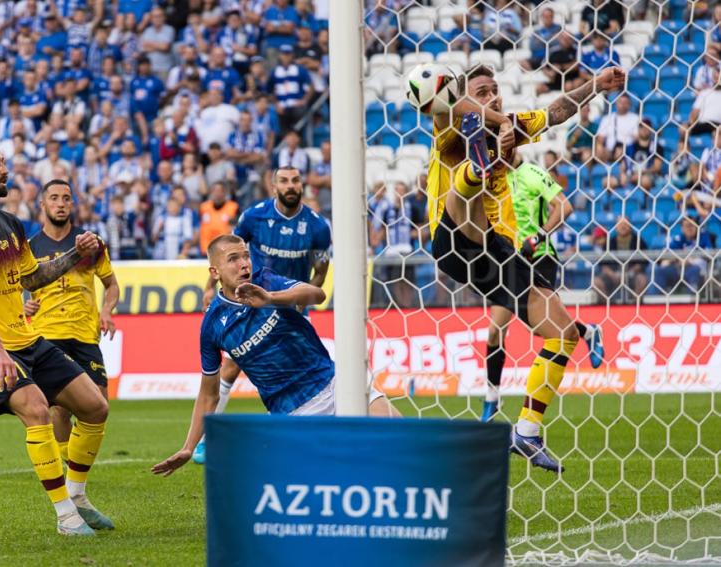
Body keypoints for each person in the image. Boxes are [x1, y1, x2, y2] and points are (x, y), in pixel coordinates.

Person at [428, 65, 625, 472]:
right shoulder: (449, 125)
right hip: (452, 235)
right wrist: (496, 124)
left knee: (563, 334)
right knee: (466, 197)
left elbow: (555, 112)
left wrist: (594, 87)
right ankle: (476, 168)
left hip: (499, 254)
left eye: (495, 90)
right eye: (483, 91)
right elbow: (443, 101)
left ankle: (527, 431)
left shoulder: (513, 128)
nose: (493, 95)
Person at [0, 134, 112, 535]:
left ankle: (78, 496)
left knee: (95, 407)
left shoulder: (11, 224)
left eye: (3, 161)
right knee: (37, 411)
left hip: (27, 340)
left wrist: (76, 254)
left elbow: (33, 277)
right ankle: (65, 517)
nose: (4, 168)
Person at [151, 234, 397, 477]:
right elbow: (208, 394)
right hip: (294, 412)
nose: (244, 263)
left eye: (246, 255)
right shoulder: (212, 325)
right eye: (233, 259)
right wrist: (188, 447)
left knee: (399, 441)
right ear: (215, 272)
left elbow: (317, 295)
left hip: (335, 381)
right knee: (339, 479)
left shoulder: (267, 281)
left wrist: (271, 299)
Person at [193, 166, 332, 465]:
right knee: (230, 368)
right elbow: (228, 250)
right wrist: (209, 288)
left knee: (298, 367)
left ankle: (293, 425)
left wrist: (299, 299)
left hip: (289, 302)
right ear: (273, 187)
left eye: (295, 180)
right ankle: (207, 438)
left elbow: (320, 272)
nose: (290, 185)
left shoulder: (318, 227)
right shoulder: (253, 217)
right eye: (284, 180)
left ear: (302, 185)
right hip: (249, 300)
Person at [481, 154, 605, 422]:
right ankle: (492, 396)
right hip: (509, 263)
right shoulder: (495, 179)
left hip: (539, 258)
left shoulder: (533, 174)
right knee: (494, 331)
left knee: (543, 328)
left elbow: (564, 207)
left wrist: (538, 236)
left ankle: (587, 331)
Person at [23, 179, 120, 465]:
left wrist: (107, 310)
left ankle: (72, 460)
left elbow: (112, 285)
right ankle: (70, 466)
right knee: (59, 408)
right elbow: (12, 287)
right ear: (43, 204)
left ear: (72, 204)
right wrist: (23, 305)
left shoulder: (90, 243)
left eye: (66, 198)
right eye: (54, 198)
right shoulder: (29, 247)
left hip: (84, 332)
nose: (60, 204)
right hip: (47, 332)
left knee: (99, 404)